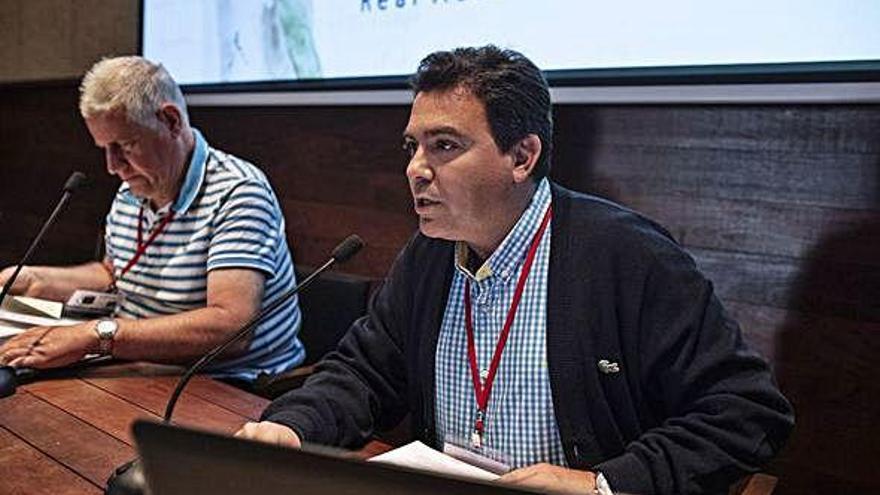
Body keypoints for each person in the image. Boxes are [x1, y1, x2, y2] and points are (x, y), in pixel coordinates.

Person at [236, 46, 794, 494]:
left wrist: (604, 482)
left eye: (444, 145)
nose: (416, 170)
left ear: (522, 156)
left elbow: (746, 411)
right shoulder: (431, 254)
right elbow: (364, 373)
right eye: (412, 147)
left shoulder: (626, 256)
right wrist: (293, 425)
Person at [0, 56, 304, 382]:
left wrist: (97, 335)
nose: (113, 166)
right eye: (104, 148)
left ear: (171, 121)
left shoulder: (239, 192)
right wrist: (33, 280)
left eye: (126, 145)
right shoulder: (133, 188)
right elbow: (115, 273)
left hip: (228, 384)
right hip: (140, 363)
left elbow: (231, 327)